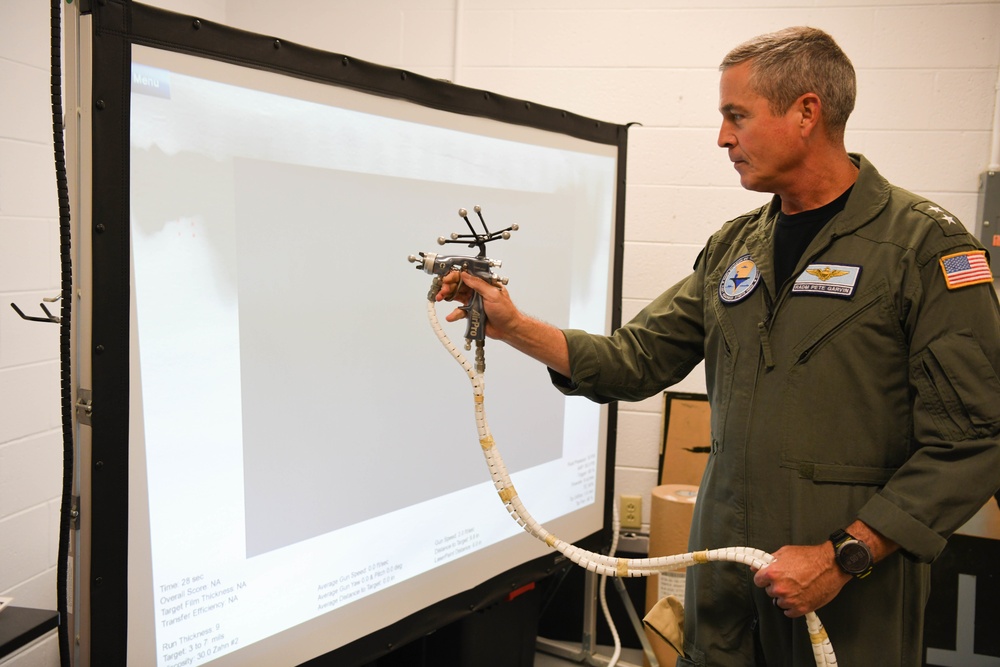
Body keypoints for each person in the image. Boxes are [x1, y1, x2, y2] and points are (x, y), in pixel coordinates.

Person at [436, 26, 1000, 666]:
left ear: (806, 112)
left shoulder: (924, 250)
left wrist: (844, 554)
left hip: (848, 594)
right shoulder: (737, 248)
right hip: (726, 590)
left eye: (737, 116)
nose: (723, 137)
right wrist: (512, 326)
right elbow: (635, 360)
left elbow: (974, 442)